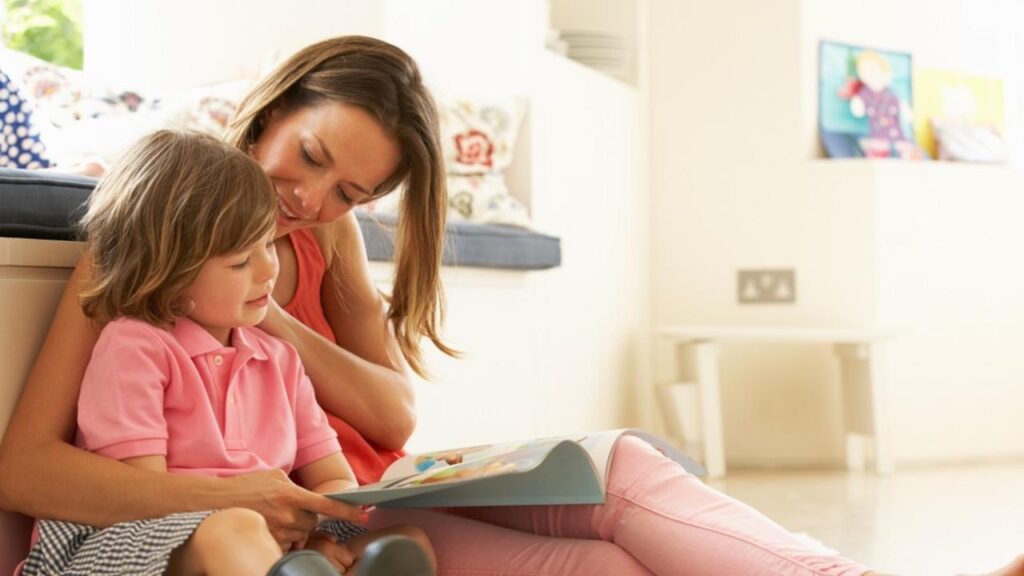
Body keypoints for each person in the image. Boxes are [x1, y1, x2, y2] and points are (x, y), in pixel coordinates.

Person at [0, 35, 1020, 576]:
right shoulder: (155, 235)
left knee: (618, 466)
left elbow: (390, 413)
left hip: (361, 501)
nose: (308, 202)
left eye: (350, 191)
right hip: (276, 525)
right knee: (606, 560)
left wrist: (266, 315)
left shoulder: (318, 242)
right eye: (306, 158)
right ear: (270, 109)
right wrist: (255, 494)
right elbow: (30, 469)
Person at [17, 129, 434, 576]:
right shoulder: (135, 346)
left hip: (256, 538)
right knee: (234, 531)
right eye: (240, 262)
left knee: (410, 540)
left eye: (267, 245)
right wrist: (255, 525)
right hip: (133, 535)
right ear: (170, 274)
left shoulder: (281, 360)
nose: (268, 269)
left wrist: (317, 531)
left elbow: (332, 476)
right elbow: (146, 495)